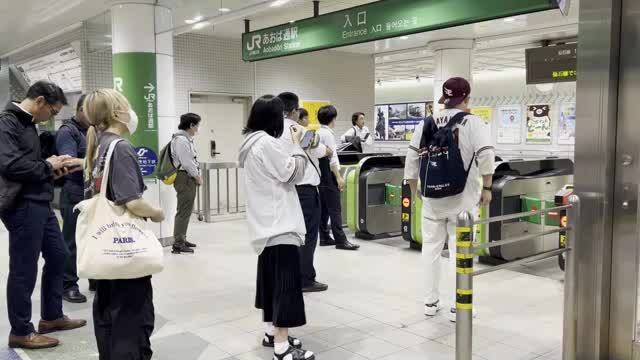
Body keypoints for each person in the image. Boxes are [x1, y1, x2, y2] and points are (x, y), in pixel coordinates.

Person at [0, 80, 87, 349]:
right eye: (52, 110)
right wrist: (47, 165)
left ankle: (51, 317)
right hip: (22, 204)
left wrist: (52, 169)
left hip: (41, 201)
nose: (52, 116)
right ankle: (21, 331)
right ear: (40, 102)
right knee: (24, 269)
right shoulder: (6, 123)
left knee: (59, 255)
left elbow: (31, 164)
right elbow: (10, 164)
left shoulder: (28, 124)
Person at [404, 77, 495, 322]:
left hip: (432, 200)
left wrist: (416, 190)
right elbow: (486, 156)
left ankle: (430, 303)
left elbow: (411, 160)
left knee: (430, 251)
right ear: (466, 98)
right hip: (463, 202)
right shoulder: (473, 122)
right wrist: (487, 187)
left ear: (445, 98)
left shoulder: (427, 122)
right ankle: (460, 306)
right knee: (460, 252)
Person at [83, 89, 165, 360]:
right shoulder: (121, 148)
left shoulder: (100, 146)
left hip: (104, 249)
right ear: (118, 114)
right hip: (125, 252)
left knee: (109, 314)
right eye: (128, 107)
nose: (132, 113)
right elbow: (132, 202)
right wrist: (156, 212)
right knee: (131, 318)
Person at [239, 95, 315, 360]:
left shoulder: (249, 144)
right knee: (285, 285)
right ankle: (282, 347)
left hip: (264, 225)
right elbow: (293, 173)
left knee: (271, 283)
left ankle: (272, 332)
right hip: (279, 225)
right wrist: (297, 148)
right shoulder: (267, 143)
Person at [278, 92, 332, 293]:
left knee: (287, 235)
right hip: (305, 191)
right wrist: (327, 150)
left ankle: (287, 274)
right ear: (294, 110)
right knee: (307, 234)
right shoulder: (299, 129)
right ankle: (304, 278)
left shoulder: (270, 131)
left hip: (282, 190)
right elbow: (321, 151)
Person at [56, 94, 91, 303]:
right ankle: (68, 284)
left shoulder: (94, 130)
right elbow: (67, 162)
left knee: (93, 238)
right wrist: (94, 161)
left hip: (92, 193)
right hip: (74, 192)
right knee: (71, 241)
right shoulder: (67, 132)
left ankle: (95, 277)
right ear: (79, 110)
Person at [316, 105, 359, 250]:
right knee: (335, 208)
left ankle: (324, 236)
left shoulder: (318, 132)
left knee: (324, 208)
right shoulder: (328, 134)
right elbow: (333, 158)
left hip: (320, 175)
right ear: (332, 119)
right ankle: (341, 240)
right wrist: (339, 177)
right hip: (329, 174)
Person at [171, 112, 203, 254]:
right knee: (183, 211)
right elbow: (187, 162)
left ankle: (182, 238)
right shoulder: (181, 140)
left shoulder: (184, 139)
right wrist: (197, 177)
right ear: (191, 125)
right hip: (184, 177)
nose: (198, 128)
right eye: (197, 125)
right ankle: (178, 243)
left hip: (186, 176)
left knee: (186, 210)